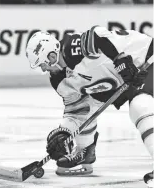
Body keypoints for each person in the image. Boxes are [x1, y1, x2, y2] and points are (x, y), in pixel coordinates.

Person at [25, 27, 153, 186]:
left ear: (52, 56)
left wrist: (120, 58)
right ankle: (85, 152)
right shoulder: (58, 80)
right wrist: (64, 133)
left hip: (143, 60)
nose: (43, 69)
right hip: (118, 81)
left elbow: (98, 34)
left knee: (140, 106)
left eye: (42, 64)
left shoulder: (72, 48)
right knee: (86, 105)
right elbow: (76, 110)